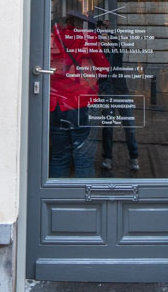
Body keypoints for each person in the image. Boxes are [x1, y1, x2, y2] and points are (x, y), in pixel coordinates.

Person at [48, 11, 109, 178]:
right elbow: (104, 69)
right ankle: (84, 195)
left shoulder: (52, 38)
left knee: (59, 156)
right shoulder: (89, 38)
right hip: (82, 101)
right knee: (84, 158)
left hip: (56, 103)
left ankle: (57, 194)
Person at [96, 20, 139, 171]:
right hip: (106, 91)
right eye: (100, 33)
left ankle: (134, 156)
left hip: (121, 90)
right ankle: (107, 157)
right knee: (108, 127)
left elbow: (116, 46)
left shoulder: (115, 47)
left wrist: (107, 31)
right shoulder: (98, 49)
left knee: (129, 126)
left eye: (104, 33)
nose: (103, 36)